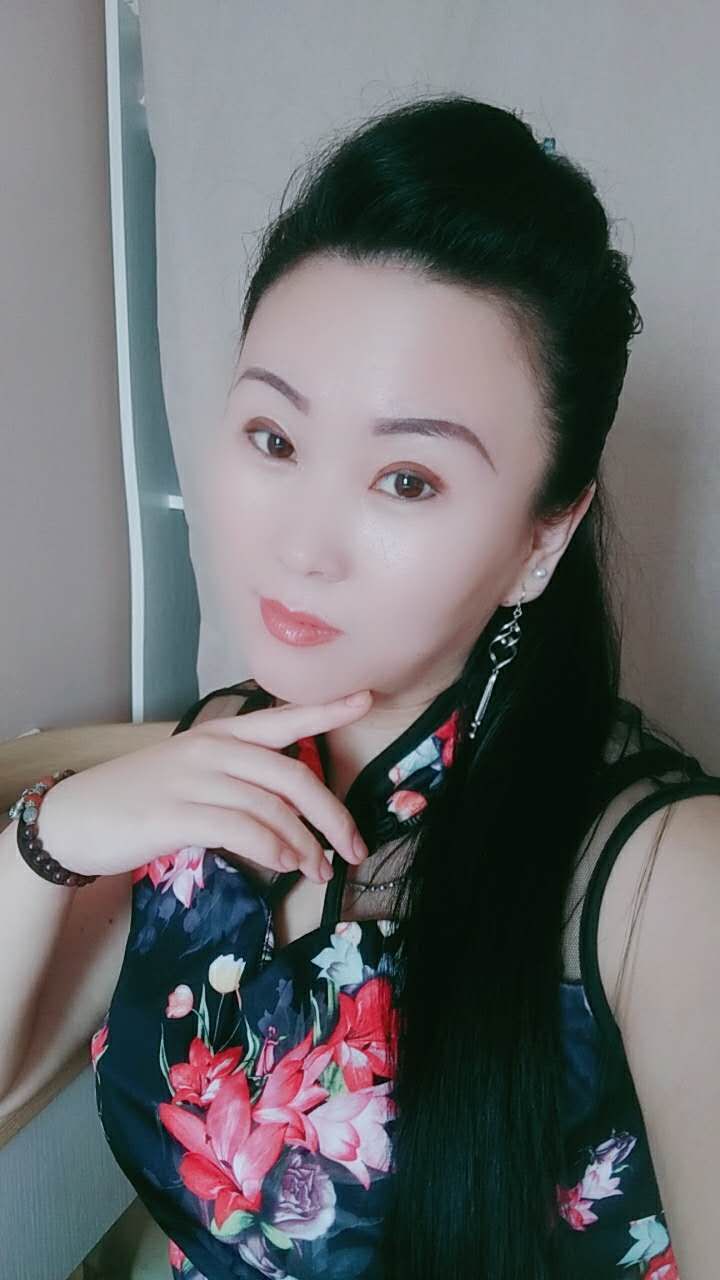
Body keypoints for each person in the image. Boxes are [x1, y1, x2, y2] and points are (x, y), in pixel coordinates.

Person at [3, 94, 719, 1280]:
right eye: (275, 439)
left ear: (543, 536)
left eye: (407, 479)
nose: (301, 545)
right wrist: (59, 828)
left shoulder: (661, 879)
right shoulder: (225, 749)